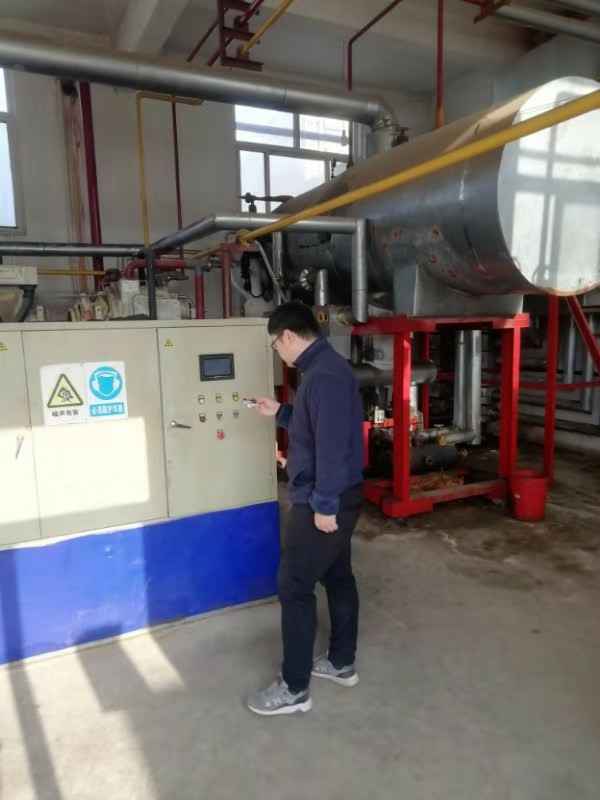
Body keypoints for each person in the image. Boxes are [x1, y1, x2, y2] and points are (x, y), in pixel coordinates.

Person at [247, 301, 364, 716]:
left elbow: (331, 449)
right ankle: (340, 662)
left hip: (323, 500)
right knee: (337, 575)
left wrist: (325, 506)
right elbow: (316, 426)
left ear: (289, 336)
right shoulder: (323, 370)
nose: (278, 352)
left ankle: (294, 688)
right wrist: (280, 413)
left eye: (276, 345)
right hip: (334, 494)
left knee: (294, 586)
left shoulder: (323, 377)